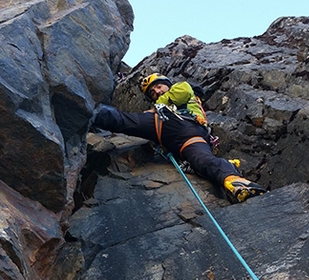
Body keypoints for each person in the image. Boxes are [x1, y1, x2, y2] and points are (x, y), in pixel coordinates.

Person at [91, 73, 265, 203]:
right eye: (152, 93)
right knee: (123, 121)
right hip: (171, 133)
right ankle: (89, 112)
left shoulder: (181, 87)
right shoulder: (160, 105)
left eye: (159, 87)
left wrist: (157, 106)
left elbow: (179, 95)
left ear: (167, 84)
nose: (157, 92)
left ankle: (235, 181)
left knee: (202, 160)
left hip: (182, 125)